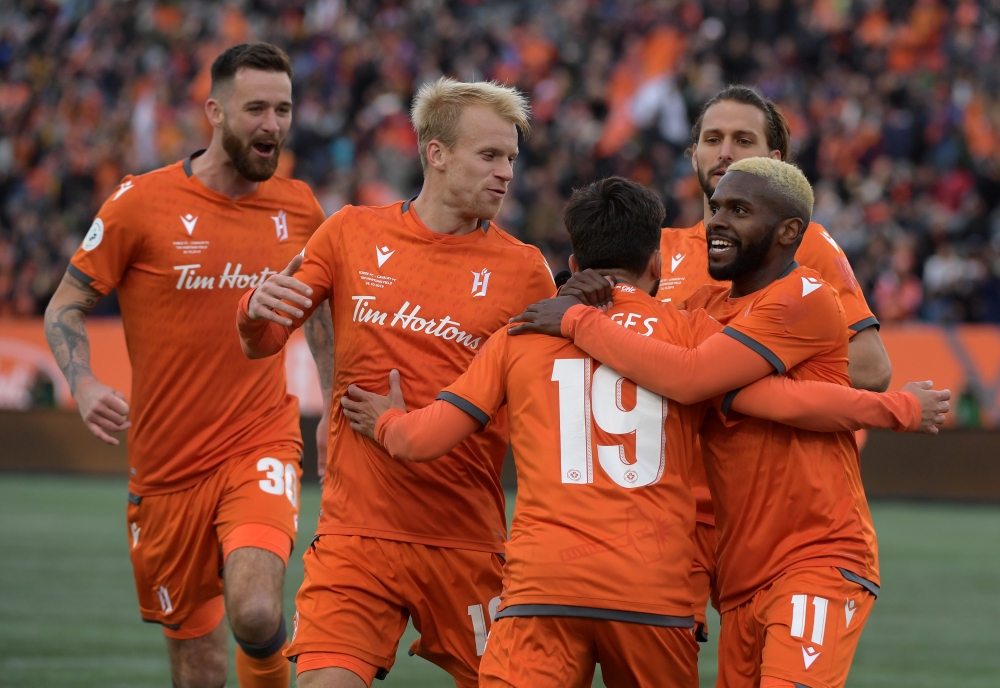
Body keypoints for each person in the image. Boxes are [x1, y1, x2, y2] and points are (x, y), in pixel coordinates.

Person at [338, 177, 947, 687]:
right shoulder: (689, 336)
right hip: (652, 598)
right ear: (656, 264)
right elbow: (785, 400)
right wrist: (895, 407)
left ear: (573, 266)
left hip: (541, 589)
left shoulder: (519, 338)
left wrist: (383, 420)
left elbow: (422, 442)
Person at [509, 159, 951, 688]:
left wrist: (577, 318)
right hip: (741, 577)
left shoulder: (803, 296)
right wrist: (589, 287)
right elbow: (745, 387)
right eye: (715, 207)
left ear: (789, 231)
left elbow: (692, 377)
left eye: (738, 210)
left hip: (817, 556)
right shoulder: (701, 309)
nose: (716, 220)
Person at [235, 78, 556, 688]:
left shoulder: (525, 271)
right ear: (436, 153)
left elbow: (546, 401)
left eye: (512, 158)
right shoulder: (349, 233)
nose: (507, 173)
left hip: (466, 541)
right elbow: (265, 340)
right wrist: (253, 310)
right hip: (356, 536)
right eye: (490, 155)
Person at [43, 43, 330, 688]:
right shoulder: (139, 203)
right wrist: (83, 381)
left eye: (283, 109)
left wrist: (333, 405)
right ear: (214, 112)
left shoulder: (300, 208)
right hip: (166, 470)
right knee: (198, 671)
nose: (272, 124)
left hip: (259, 442)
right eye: (255, 108)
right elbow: (66, 303)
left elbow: (322, 315)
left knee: (256, 612)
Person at [659, 85, 892, 643]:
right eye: (712, 139)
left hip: (775, 517)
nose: (725, 153)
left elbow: (869, 367)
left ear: (776, 161)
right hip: (673, 517)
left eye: (744, 140)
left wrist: (727, 375)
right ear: (693, 153)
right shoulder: (661, 249)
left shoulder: (801, 242)